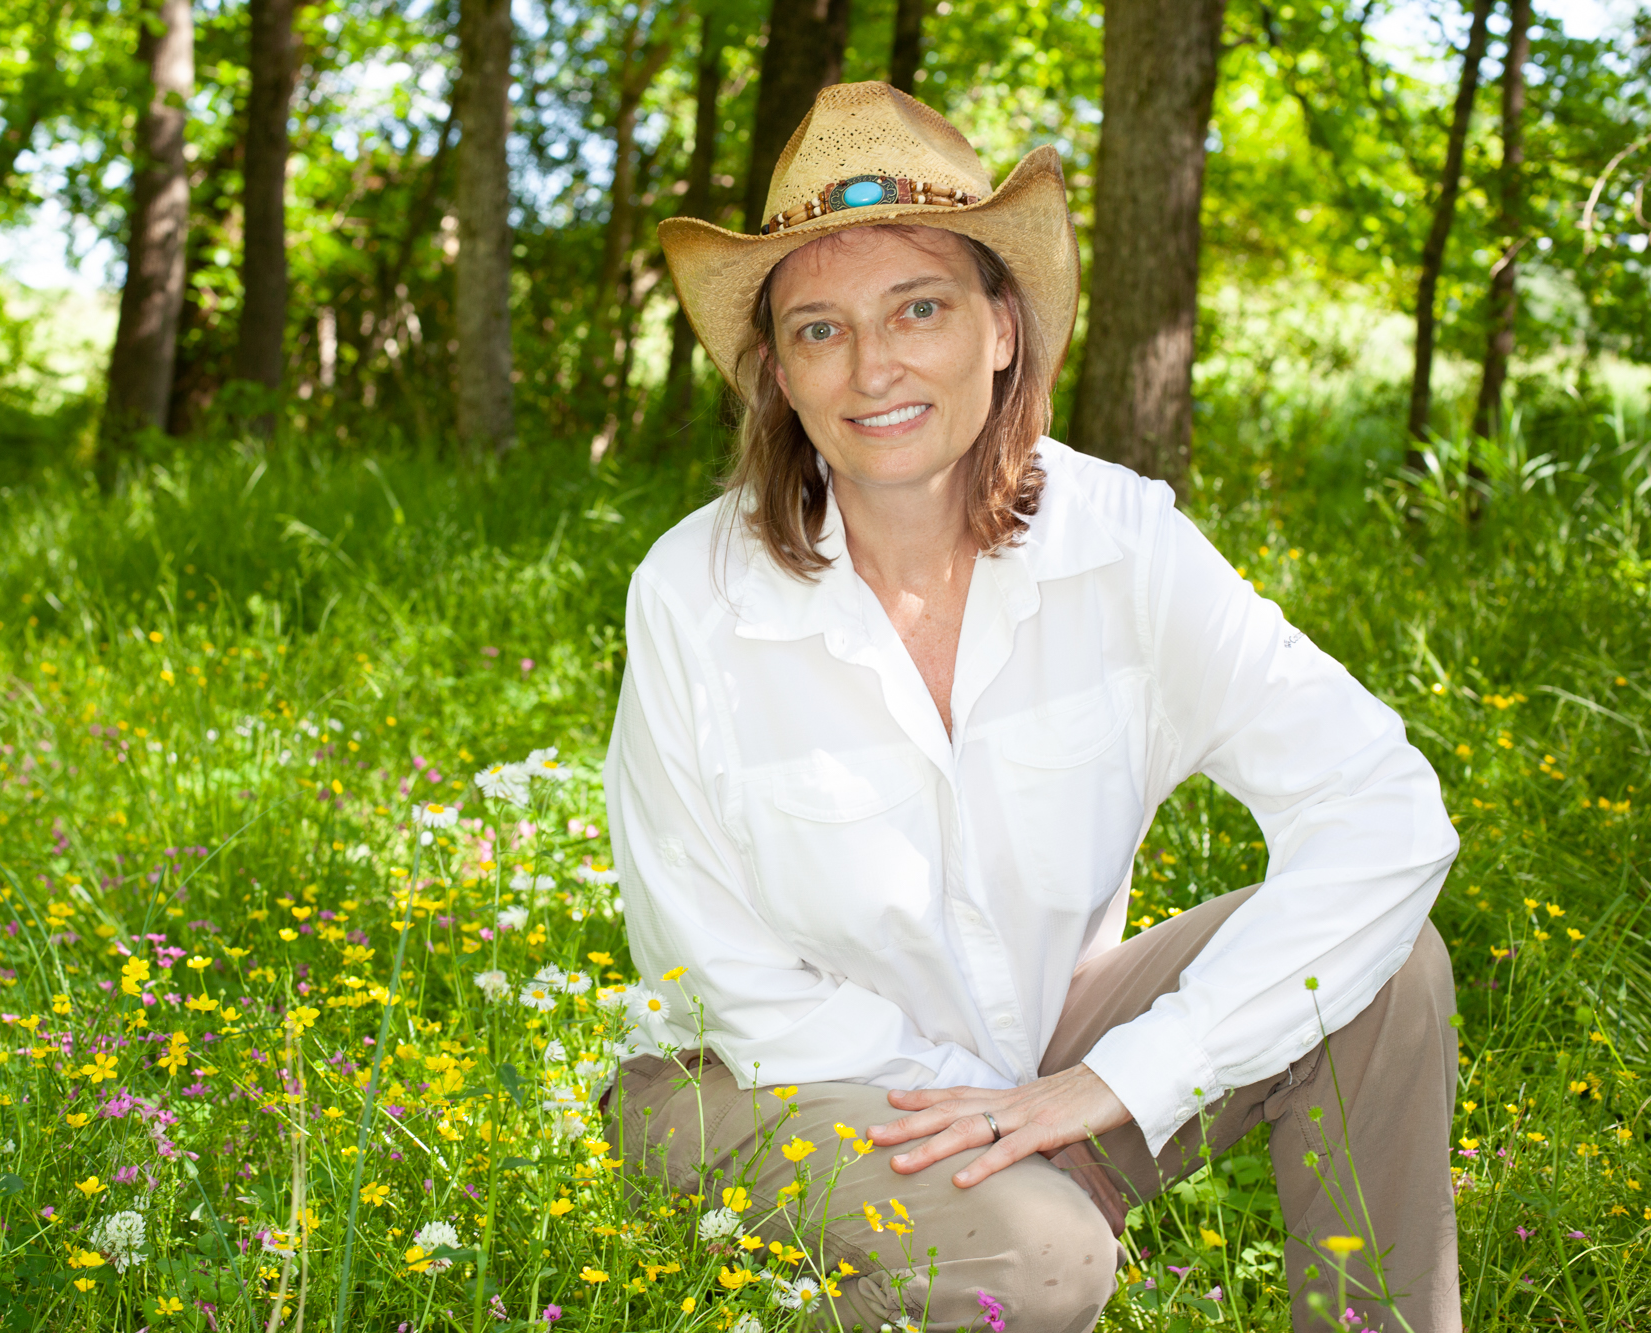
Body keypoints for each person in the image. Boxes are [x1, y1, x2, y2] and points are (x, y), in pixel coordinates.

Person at [600, 82, 1460, 1333]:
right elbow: (724, 973)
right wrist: (1015, 1128)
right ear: (778, 375)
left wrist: (1121, 1078)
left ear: (1002, 329)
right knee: (1041, 1258)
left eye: (919, 308)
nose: (874, 365)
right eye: (819, 330)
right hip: (758, 1077)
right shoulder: (692, 595)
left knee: (1383, 976)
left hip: (1039, 1059)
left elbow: (1383, 813)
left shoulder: (1119, 541)